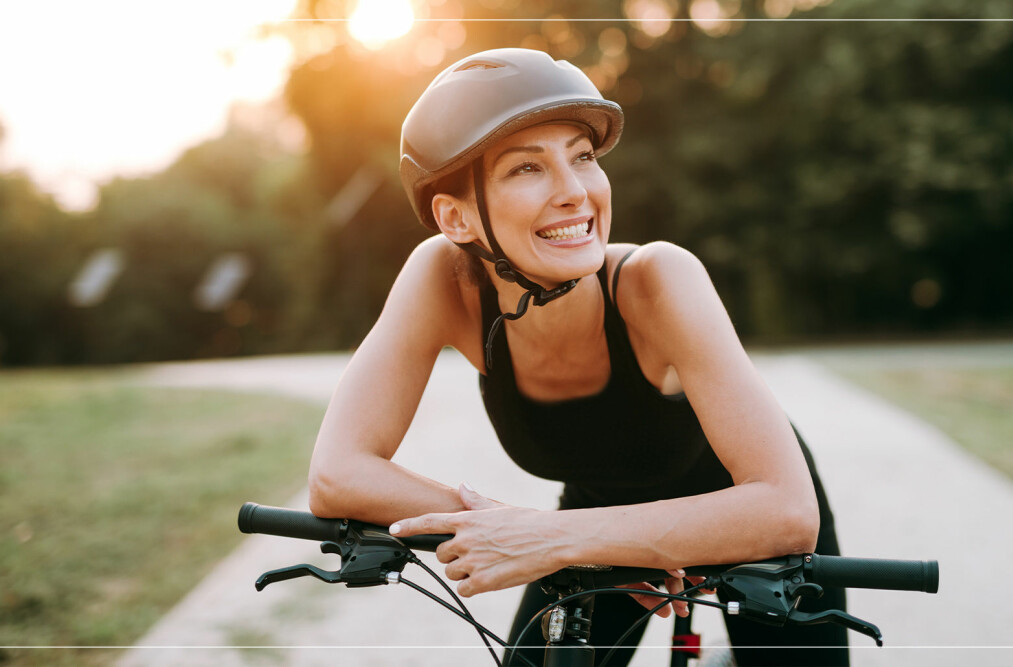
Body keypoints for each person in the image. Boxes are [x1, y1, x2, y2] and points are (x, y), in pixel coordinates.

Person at [308, 48, 847, 666]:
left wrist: (550, 538)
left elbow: (785, 507)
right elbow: (337, 475)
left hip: (748, 526)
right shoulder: (443, 278)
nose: (575, 192)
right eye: (526, 169)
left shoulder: (659, 280)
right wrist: (536, 534)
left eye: (583, 157)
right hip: (594, 524)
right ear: (454, 217)